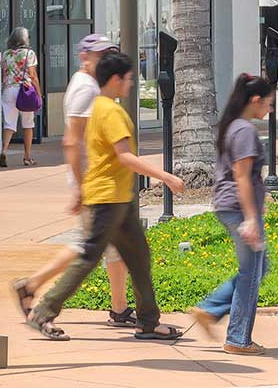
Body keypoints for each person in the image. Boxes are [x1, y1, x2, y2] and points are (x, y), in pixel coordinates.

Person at [27, 51, 185, 342]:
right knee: (87, 258)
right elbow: (125, 157)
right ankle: (43, 312)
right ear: (115, 79)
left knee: (138, 258)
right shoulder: (111, 112)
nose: (130, 83)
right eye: (127, 78)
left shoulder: (98, 107)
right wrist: (166, 177)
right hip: (106, 199)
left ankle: (149, 322)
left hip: (117, 199)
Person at [9, 35, 135, 328]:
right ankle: (31, 286)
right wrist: (80, 186)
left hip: (100, 179)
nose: (105, 59)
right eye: (100, 54)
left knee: (112, 245)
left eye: (108, 53)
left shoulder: (92, 86)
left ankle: (119, 308)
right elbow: (72, 140)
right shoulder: (85, 89)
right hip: (93, 180)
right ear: (84, 57)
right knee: (89, 244)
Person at [189, 74, 275, 356]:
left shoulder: (235, 127)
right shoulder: (244, 131)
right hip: (237, 208)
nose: (270, 109)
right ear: (255, 100)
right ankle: (237, 338)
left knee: (259, 268)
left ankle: (210, 310)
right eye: (269, 103)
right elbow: (241, 177)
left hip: (232, 206)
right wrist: (251, 218)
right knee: (251, 272)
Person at [0, 27, 43, 167]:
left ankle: (4, 151)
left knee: (9, 123)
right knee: (28, 123)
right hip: (24, 90)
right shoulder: (29, 53)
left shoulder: (6, 54)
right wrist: (38, 92)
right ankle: (27, 156)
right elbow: (33, 75)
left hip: (8, 89)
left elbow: (3, 74)